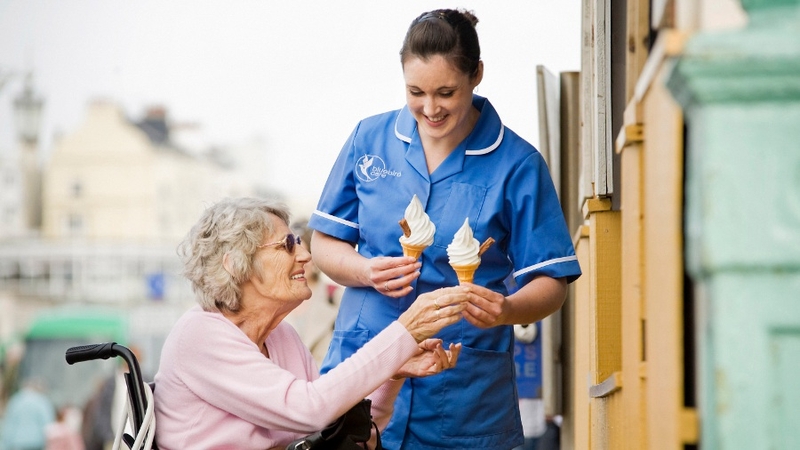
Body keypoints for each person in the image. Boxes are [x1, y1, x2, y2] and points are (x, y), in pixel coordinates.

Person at [308, 8, 582, 449]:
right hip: (364, 368)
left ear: (476, 75)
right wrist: (364, 271)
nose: (430, 108)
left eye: (446, 92)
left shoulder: (518, 164)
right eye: (416, 92)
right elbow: (325, 243)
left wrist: (507, 310)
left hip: (465, 389)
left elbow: (552, 281)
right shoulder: (368, 139)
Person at [153, 197, 468, 449]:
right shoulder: (201, 333)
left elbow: (339, 430)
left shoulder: (282, 336)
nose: (306, 255)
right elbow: (309, 410)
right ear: (236, 265)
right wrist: (406, 330)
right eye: (288, 244)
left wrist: (393, 372)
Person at [283, 220, 342, 366]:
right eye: (292, 255)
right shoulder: (276, 299)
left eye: (304, 253)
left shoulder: (336, 296)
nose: (299, 262)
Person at [0, 378, 56, 450]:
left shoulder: (15, 400)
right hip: (37, 442)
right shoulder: (42, 401)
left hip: (17, 442)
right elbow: (48, 424)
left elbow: (9, 424)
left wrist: (4, 445)